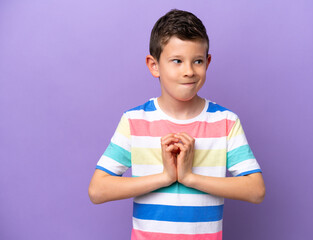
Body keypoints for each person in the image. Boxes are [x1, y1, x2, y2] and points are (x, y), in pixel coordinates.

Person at [88, 9, 265, 240]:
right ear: (154, 65)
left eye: (198, 61)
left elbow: (256, 190)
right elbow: (97, 190)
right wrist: (165, 177)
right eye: (177, 61)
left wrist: (189, 177)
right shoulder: (134, 121)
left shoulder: (226, 122)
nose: (189, 71)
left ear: (208, 62)